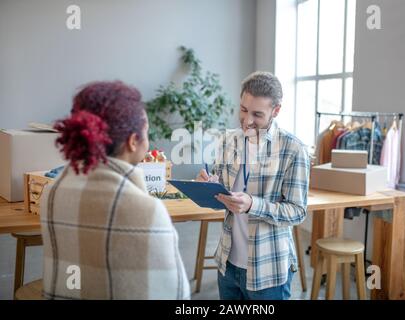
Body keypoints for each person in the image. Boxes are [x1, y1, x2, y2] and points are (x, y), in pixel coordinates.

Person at [40, 81, 190, 300]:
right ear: (132, 141)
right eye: (146, 132)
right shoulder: (146, 211)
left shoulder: (52, 193)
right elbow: (174, 295)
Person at [197, 71, 310, 300]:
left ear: (276, 111)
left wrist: (252, 205)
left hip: (267, 271)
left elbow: (297, 212)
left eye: (257, 114)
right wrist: (209, 185)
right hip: (227, 263)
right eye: (243, 110)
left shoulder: (293, 150)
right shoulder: (230, 140)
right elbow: (223, 187)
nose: (247, 120)